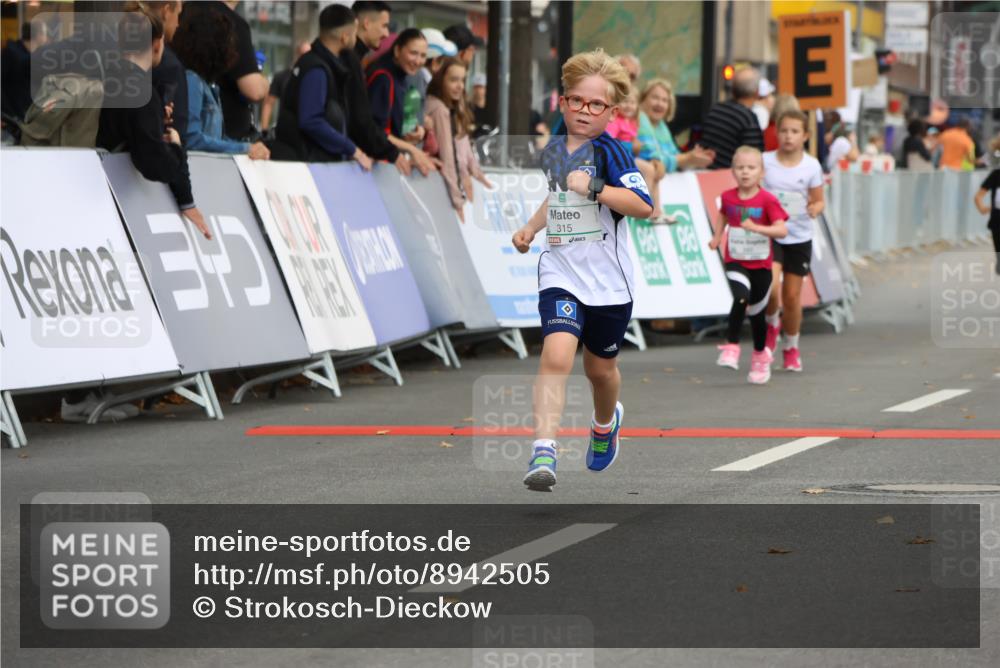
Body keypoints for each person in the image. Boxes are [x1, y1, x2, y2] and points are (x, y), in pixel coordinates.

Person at [511, 50, 653, 490]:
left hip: (609, 284)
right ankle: (543, 452)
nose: (584, 111)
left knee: (600, 371)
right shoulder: (554, 150)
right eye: (577, 101)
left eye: (596, 105)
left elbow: (643, 206)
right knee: (555, 355)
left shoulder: (613, 153)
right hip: (561, 271)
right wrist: (531, 228)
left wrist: (594, 186)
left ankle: (605, 422)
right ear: (563, 102)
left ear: (611, 112)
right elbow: (557, 198)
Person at [97, 8, 210, 241]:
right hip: (118, 206)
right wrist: (176, 149)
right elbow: (153, 164)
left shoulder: (107, 78)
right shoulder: (141, 92)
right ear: (157, 44)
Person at [708, 146, 789, 384]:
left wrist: (758, 228)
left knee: (756, 314)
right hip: (736, 260)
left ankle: (760, 356)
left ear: (761, 173)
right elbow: (723, 214)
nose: (745, 172)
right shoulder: (728, 197)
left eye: (751, 168)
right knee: (740, 297)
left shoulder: (767, 200)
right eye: (740, 168)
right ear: (733, 171)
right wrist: (717, 236)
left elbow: (782, 230)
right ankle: (731, 346)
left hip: (762, 265)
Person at [761, 110, 824, 372]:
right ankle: (772, 323)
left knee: (792, 296)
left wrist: (814, 209)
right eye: (784, 130)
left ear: (805, 136)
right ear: (777, 132)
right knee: (772, 289)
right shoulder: (764, 161)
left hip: (799, 236)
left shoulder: (812, 166)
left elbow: (819, 200)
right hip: (771, 234)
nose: (788, 136)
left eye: (795, 131)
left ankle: (791, 346)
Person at [273, 4, 370, 167]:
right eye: (355, 33)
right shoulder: (316, 69)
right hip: (306, 162)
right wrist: (353, 150)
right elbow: (311, 120)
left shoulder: (316, 62)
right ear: (345, 37)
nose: (356, 38)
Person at [174, 5, 269, 158]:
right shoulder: (192, 81)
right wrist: (244, 148)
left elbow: (217, 139)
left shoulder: (207, 85)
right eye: (229, 43)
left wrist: (247, 147)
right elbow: (192, 138)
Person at [636, 78, 715, 223]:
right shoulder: (640, 119)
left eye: (665, 100)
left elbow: (673, 157)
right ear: (643, 99)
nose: (660, 104)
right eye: (655, 98)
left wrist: (693, 159)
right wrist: (686, 159)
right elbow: (653, 159)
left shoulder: (661, 126)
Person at [345, 1, 410, 175]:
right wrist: (392, 153)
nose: (386, 33)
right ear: (366, 23)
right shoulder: (351, 61)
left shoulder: (355, 60)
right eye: (384, 26)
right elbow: (360, 120)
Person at [425, 57, 491, 221]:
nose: (459, 85)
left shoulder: (452, 106)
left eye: (462, 80)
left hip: (445, 186)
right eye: (453, 80)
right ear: (441, 80)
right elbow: (448, 156)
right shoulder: (440, 110)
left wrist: (475, 171)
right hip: (438, 189)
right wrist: (457, 200)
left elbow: (462, 144)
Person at [367, 28, 436, 174]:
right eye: (413, 53)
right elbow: (375, 132)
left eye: (423, 56)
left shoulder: (410, 77)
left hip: (392, 163)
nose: (418, 61)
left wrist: (418, 133)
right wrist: (412, 150)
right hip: (376, 166)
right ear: (397, 51)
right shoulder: (382, 77)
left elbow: (407, 126)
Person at [200, 1, 269, 141]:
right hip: (224, 138)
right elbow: (254, 90)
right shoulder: (232, 23)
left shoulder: (183, 11)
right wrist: (264, 82)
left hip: (186, 129)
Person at [700, 67, 764, 169]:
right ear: (756, 92)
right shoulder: (748, 119)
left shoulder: (715, 109)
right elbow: (755, 157)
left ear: (733, 90)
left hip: (704, 174)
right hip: (728, 178)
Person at [1, 20, 48, 124]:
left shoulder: (27, 55)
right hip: (12, 116)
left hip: (24, 113)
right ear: (38, 35)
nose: (47, 37)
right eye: (45, 33)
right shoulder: (13, 54)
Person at [260, 41, 311, 129]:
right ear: (297, 54)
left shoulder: (315, 78)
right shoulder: (282, 77)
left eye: (309, 54)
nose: (306, 57)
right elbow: (268, 103)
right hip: (285, 128)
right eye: (303, 54)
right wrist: (264, 130)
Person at [974, 139, 1000, 274]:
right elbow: (978, 196)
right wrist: (982, 208)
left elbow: (978, 197)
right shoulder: (996, 174)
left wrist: (982, 208)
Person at [469, 72, 491, 138]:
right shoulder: (468, 107)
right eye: (476, 87)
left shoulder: (491, 108)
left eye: (481, 87)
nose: (478, 90)